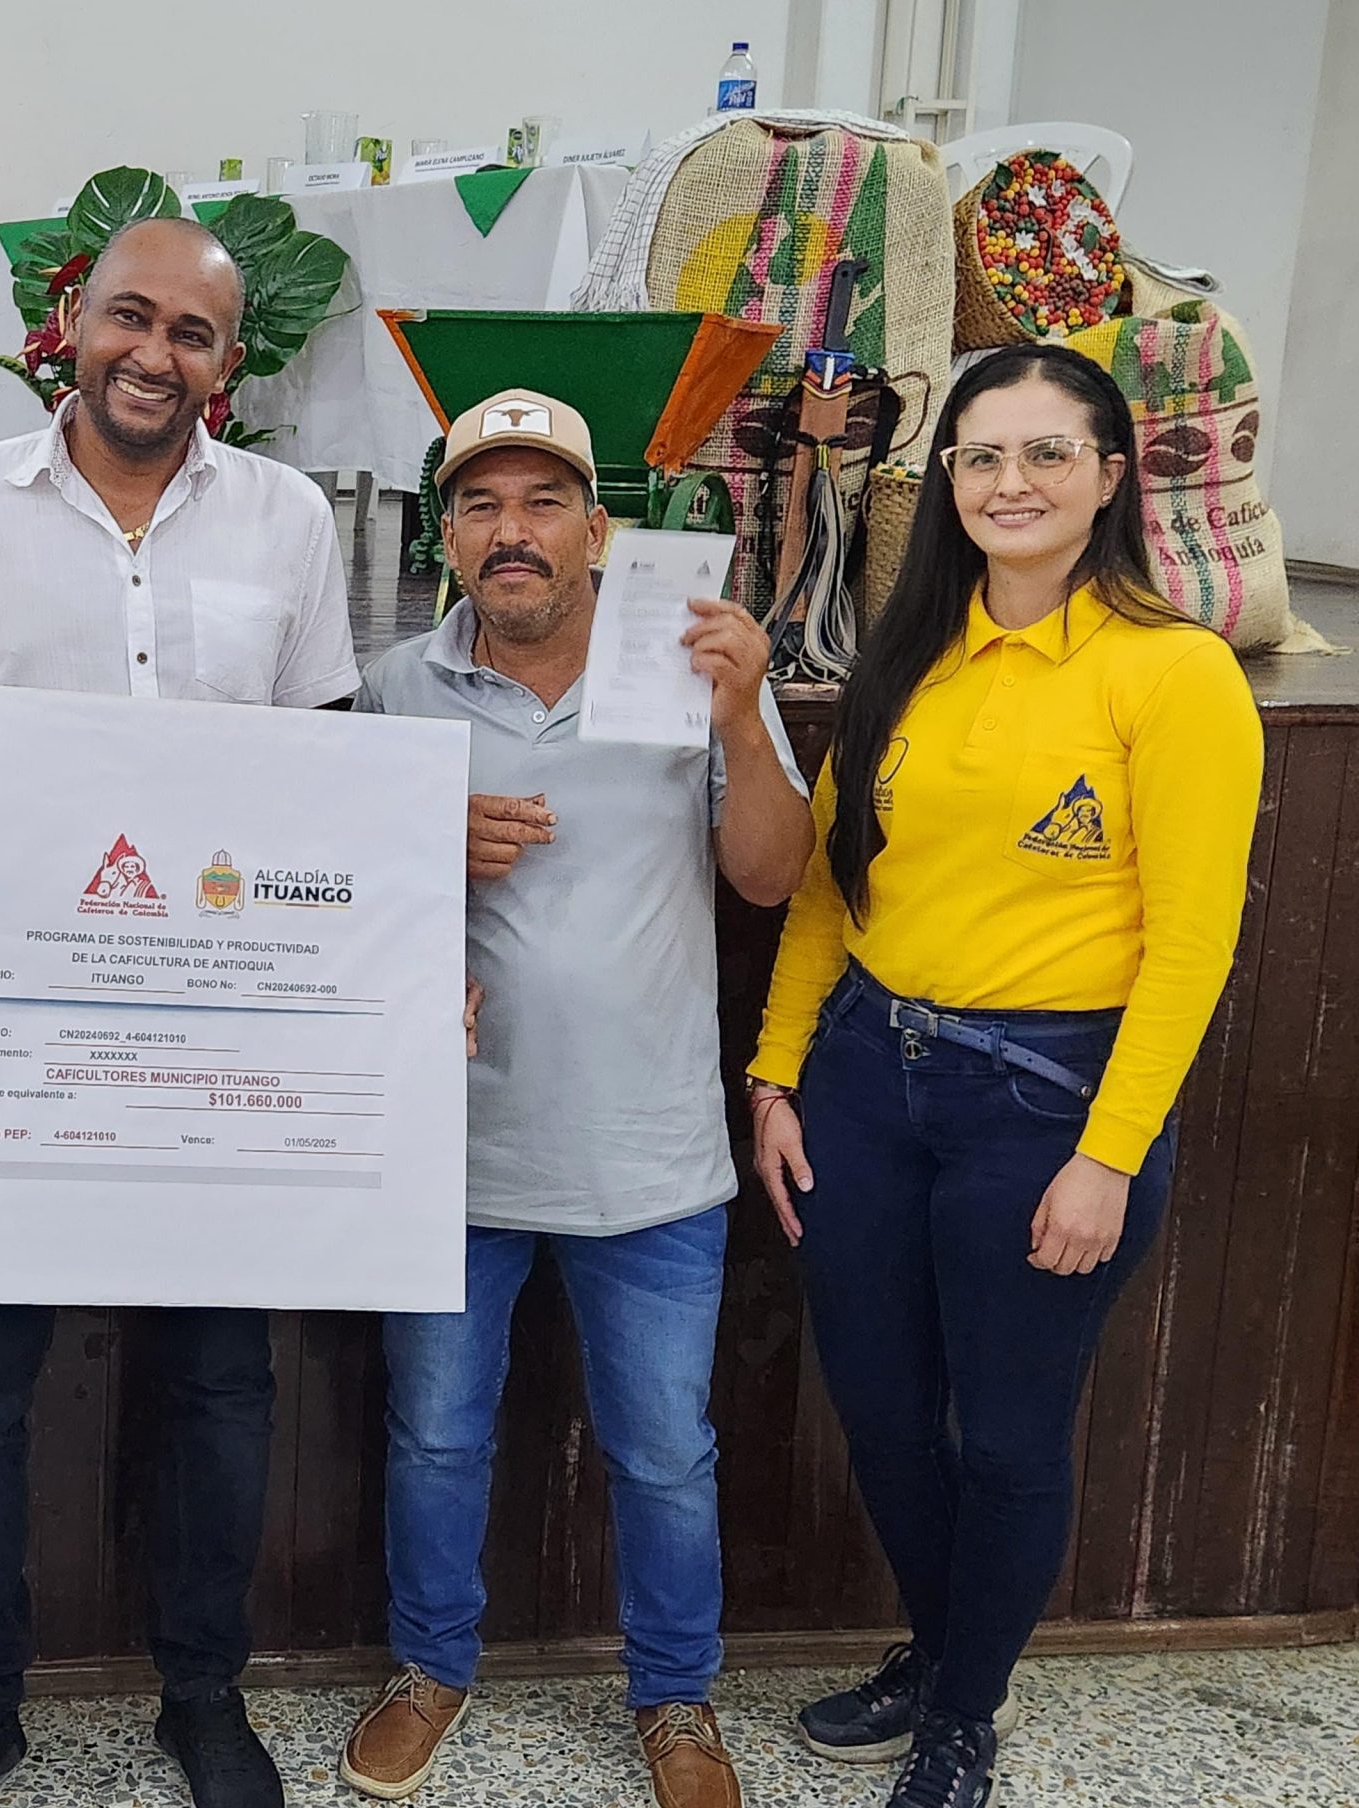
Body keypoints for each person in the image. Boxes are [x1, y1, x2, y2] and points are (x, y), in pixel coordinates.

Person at [0, 216, 359, 1808]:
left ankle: (203, 1695)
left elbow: (323, 770)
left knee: (220, 1391)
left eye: (192, 333)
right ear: (72, 325)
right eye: (130, 317)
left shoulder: (287, 519)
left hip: (215, 1039)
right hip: (7, 1034)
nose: (155, 353)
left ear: (230, 362)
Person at [746, 344, 1262, 1808]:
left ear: (1110, 477)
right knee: (883, 1412)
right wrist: (776, 1076)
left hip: (1047, 1103)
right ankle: (943, 1650)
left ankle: (963, 1712)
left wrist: (1109, 1155)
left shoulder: (1173, 673)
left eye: (1047, 453)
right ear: (947, 482)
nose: (1010, 482)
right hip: (866, 1080)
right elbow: (834, 889)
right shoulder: (911, 654)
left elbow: (1192, 947)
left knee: (1013, 1436)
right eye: (980, 455)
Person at [335, 390, 811, 1808]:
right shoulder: (398, 687)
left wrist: (741, 713)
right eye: (481, 504)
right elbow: (332, 892)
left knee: (665, 1455)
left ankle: (676, 1696)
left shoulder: (688, 666)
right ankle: (431, 1667)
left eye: (544, 502)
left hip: (651, 1152)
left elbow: (773, 875)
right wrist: (422, 845)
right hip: (452, 1152)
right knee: (434, 1437)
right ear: (447, 538)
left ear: (599, 530)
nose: (513, 531)